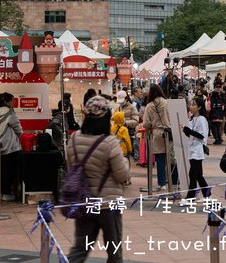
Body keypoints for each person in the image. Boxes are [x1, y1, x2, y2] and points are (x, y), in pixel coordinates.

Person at [66, 96, 131, 263]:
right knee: (114, 250)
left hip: (83, 202)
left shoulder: (74, 139)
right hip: (108, 205)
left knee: (80, 249)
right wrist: (124, 161)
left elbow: (71, 167)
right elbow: (122, 175)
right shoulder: (109, 142)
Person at [141, 84, 173, 188]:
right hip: (169, 132)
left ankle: (162, 183)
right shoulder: (166, 102)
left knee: (160, 158)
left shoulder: (149, 105)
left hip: (157, 134)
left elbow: (145, 123)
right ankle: (173, 180)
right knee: (171, 157)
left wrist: (151, 127)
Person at [0, 92, 24, 201]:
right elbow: (18, 128)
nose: (13, 102)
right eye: (12, 100)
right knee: (11, 172)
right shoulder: (10, 113)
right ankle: (7, 193)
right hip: (11, 146)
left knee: (2, 171)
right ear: (6, 102)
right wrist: (22, 137)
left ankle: (2, 193)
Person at [182, 97, 210, 199]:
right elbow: (191, 135)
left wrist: (188, 131)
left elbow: (201, 135)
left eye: (193, 104)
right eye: (191, 104)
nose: (191, 106)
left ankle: (190, 197)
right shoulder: (192, 119)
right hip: (192, 149)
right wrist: (185, 131)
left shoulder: (202, 119)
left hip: (197, 151)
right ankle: (207, 195)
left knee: (193, 174)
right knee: (198, 175)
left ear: (199, 107)